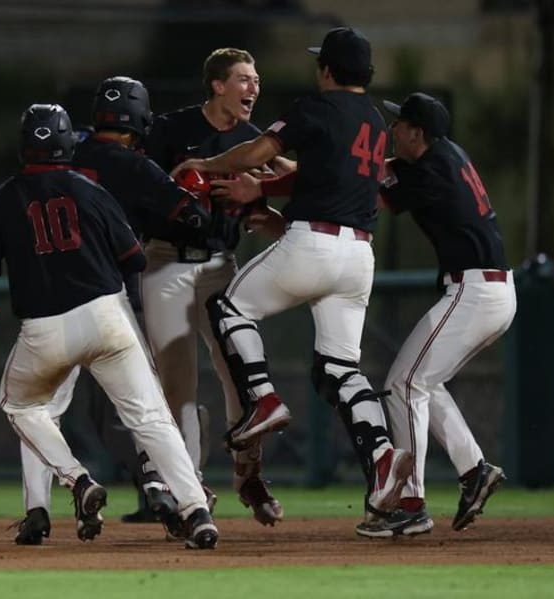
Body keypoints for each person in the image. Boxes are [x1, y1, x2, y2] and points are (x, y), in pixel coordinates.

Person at [172, 27, 413, 525]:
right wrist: (266, 192)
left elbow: (256, 154)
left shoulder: (315, 108)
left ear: (327, 69)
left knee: (228, 307)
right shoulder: (372, 119)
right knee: (341, 370)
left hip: (315, 242)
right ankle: (388, 469)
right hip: (359, 256)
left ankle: (263, 400)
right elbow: (323, 173)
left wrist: (207, 162)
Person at [0, 103, 218, 550]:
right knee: (152, 418)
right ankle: (196, 511)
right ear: (67, 142)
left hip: (45, 329)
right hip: (108, 317)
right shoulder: (90, 189)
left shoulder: (1, 198)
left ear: (23, 144)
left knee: (26, 409)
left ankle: (65, 490)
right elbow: (135, 261)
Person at [353, 92, 516, 537]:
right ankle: (474, 470)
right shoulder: (442, 155)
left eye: (400, 124)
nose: (393, 129)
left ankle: (411, 503)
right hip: (488, 291)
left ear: (417, 134)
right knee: (420, 382)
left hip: (475, 292)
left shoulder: (434, 170)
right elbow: (382, 170)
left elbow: (373, 192)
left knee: (403, 384)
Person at [142, 47, 291, 527]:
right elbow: (141, 189)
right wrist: (178, 188)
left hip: (221, 265)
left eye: (257, 80)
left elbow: (262, 206)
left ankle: (248, 475)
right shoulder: (169, 129)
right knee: (176, 385)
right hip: (165, 261)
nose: (254, 88)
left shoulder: (254, 141)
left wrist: (262, 214)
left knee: (240, 377)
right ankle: (190, 492)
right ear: (217, 85)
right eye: (244, 79)